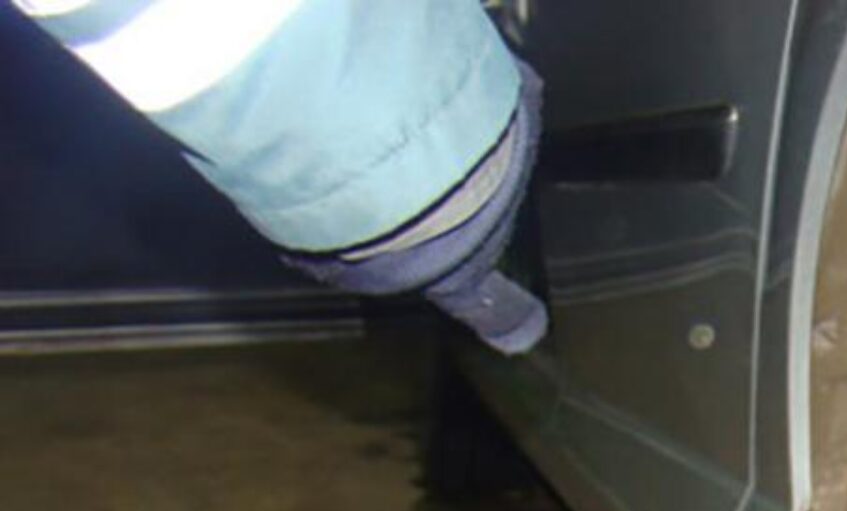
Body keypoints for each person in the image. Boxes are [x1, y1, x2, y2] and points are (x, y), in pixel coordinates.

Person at [9, 0, 547, 353]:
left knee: (431, 244)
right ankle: (478, 297)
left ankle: (480, 299)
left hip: (329, 227)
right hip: (457, 115)